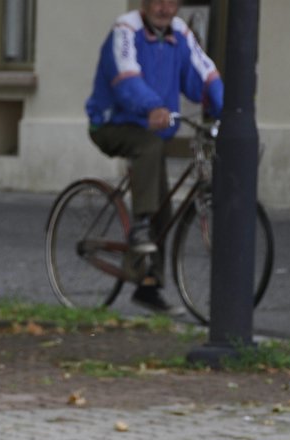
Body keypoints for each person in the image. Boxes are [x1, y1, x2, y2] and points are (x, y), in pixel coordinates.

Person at [85, 0, 223, 314]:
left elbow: (203, 74)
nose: (164, 8)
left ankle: (148, 286)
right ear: (145, 4)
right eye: (157, 2)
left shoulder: (179, 34)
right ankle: (140, 225)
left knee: (164, 209)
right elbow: (126, 77)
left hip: (154, 131)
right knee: (148, 150)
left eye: (171, 2)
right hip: (112, 123)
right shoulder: (125, 30)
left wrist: (227, 109)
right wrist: (152, 107)